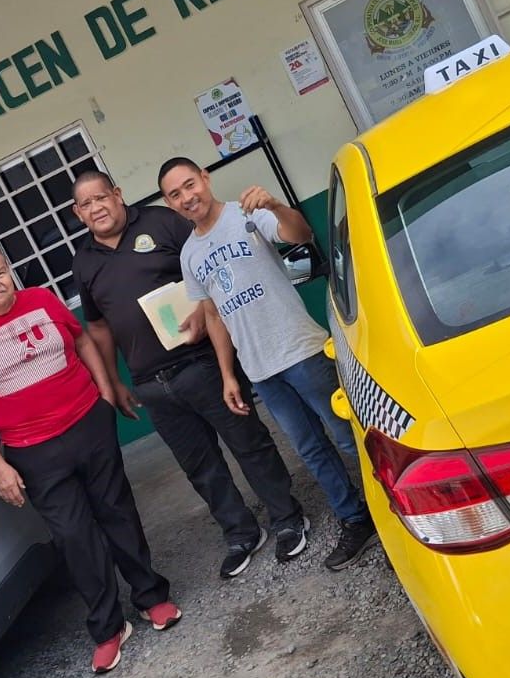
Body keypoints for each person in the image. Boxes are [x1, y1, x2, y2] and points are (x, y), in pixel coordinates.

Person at [0, 243, 179, 675]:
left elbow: (80, 339)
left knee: (117, 512)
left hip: (86, 425)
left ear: (10, 270)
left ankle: (152, 597)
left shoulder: (41, 299)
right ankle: (108, 628)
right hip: (32, 451)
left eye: (0, 272)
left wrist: (105, 389)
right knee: (75, 536)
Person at [71, 170, 310, 576]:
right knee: (200, 465)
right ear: (78, 214)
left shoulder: (161, 221)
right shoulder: (84, 262)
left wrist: (203, 309)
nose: (97, 208)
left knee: (248, 442)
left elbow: (206, 258)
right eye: (86, 205)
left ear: (117, 194)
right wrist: (112, 381)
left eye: (101, 197)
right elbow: (97, 327)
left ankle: (287, 518)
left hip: (201, 362)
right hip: (151, 383)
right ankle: (240, 533)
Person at [157, 158, 377, 572]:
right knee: (311, 450)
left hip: (301, 349)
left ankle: (393, 501)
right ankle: (355, 517)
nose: (187, 197)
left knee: (347, 436)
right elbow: (214, 314)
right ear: (170, 204)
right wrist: (227, 374)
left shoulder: (248, 211)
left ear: (205, 178)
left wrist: (275, 206)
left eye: (191, 184)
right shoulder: (189, 255)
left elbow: (300, 233)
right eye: (176, 194)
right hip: (260, 369)